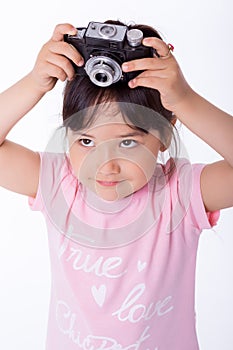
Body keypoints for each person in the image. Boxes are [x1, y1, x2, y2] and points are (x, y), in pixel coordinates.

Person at [0, 20, 233, 350]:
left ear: (165, 133)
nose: (104, 165)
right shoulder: (58, 184)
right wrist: (33, 83)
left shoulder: (179, 194)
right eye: (85, 141)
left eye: (127, 143)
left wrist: (184, 99)